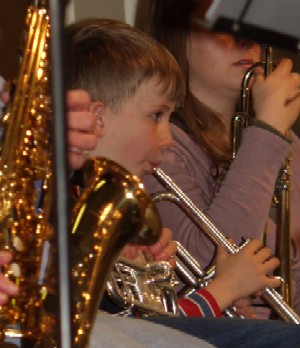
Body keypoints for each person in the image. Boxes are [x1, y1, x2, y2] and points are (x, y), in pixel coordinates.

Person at [62, 18, 300, 348]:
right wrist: (223, 290)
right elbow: (151, 328)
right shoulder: (75, 206)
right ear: (97, 116)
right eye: (157, 116)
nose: (166, 137)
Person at [136, 0, 300, 317]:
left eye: (251, 21)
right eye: (223, 23)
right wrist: (267, 133)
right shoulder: (156, 146)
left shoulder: (286, 142)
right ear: (176, 34)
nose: (245, 39)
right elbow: (209, 265)